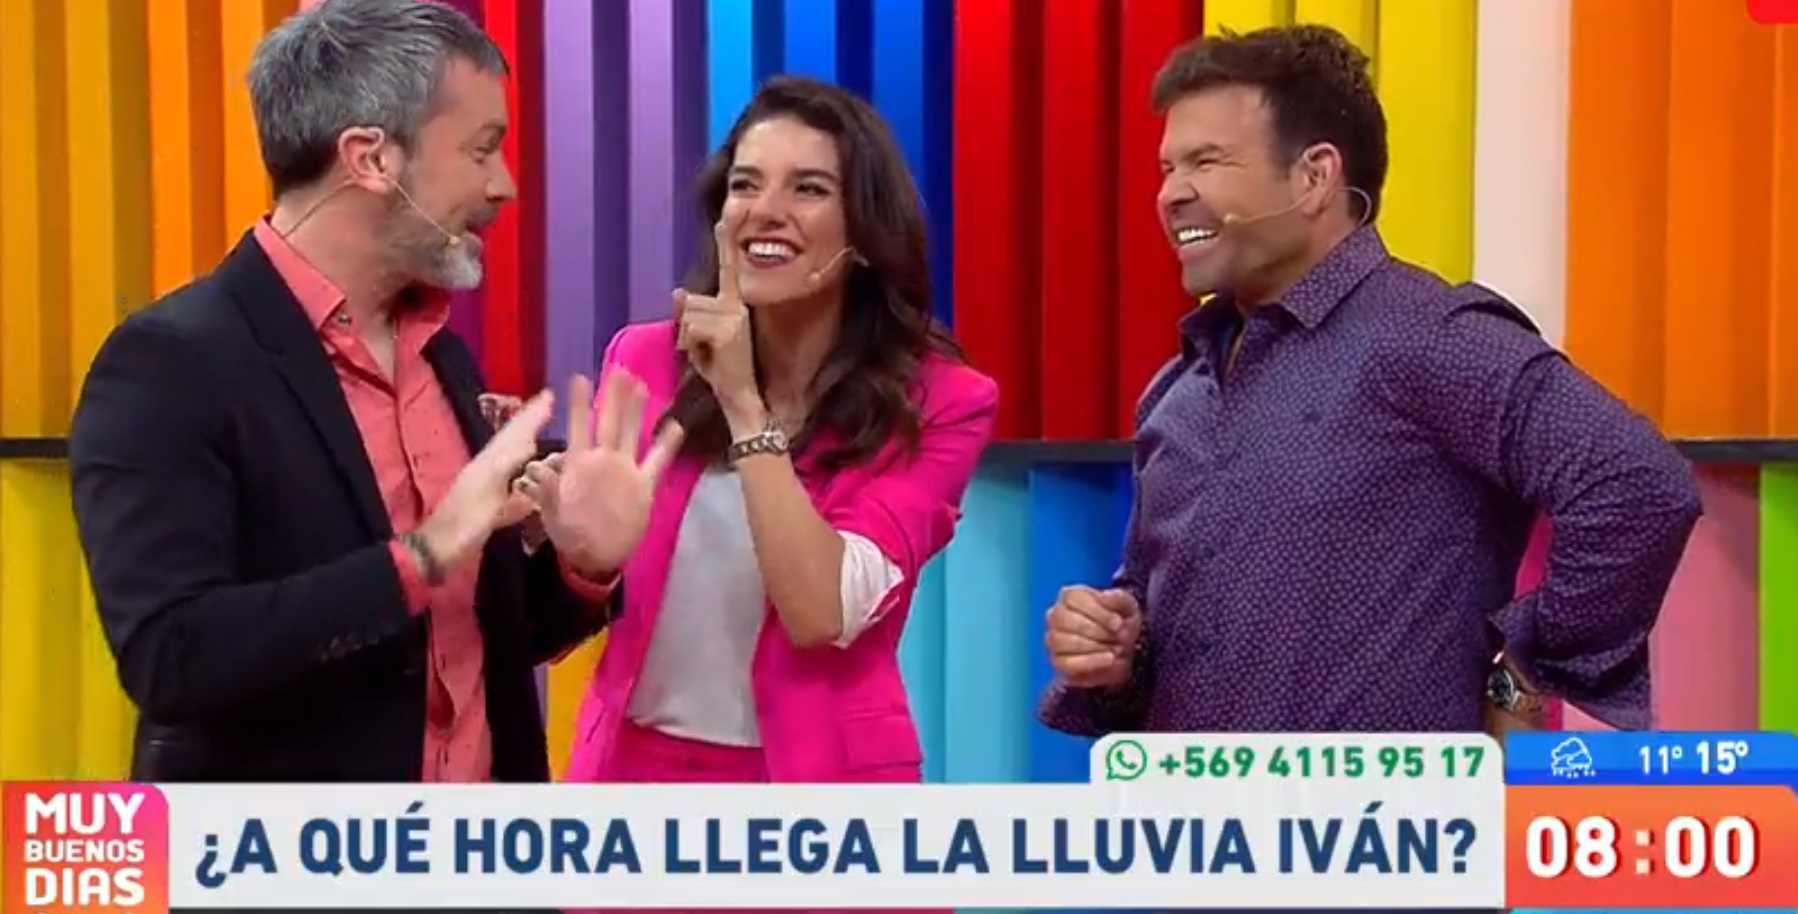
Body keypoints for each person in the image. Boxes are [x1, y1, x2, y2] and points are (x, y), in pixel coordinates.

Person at [68, 0, 675, 783]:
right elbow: (174, 657)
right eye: (481, 150)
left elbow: (470, 643)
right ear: (371, 159)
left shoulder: (441, 357)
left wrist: (580, 568)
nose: (504, 186)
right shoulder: (169, 365)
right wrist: (421, 555)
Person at [1038, 25, 1702, 736]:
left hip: (1392, 805)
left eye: (1207, 161)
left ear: (1315, 176)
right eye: (1168, 167)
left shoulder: (1431, 337)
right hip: (1188, 805)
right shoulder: (1177, 389)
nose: (1171, 194)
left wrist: (1522, 675)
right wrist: (1115, 650)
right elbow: (1153, 613)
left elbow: (1636, 484)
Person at [542, 77, 997, 787]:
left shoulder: (943, 401)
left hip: (821, 784)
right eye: (746, 185)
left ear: (865, 233)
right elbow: (587, 592)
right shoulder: (644, 359)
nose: (766, 212)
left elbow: (821, 612)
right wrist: (586, 563)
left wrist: (743, 403)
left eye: (808, 189)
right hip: (630, 775)